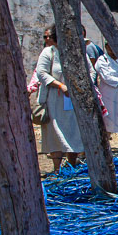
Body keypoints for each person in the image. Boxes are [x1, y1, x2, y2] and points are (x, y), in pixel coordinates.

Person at [36, 26, 86, 172]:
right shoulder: (49, 52)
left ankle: (72, 164)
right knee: (55, 133)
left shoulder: (73, 52)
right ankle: (57, 168)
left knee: (73, 130)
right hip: (55, 99)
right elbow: (42, 73)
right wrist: (59, 86)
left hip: (71, 99)